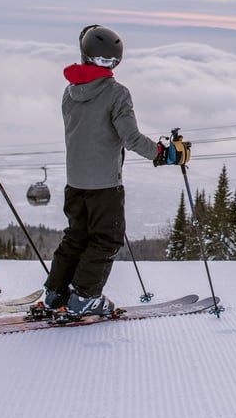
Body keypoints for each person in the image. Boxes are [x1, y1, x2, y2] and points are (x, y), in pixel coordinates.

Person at [42, 24, 186, 316]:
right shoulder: (116, 93)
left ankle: (55, 294)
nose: (108, 66)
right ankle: (84, 297)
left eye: (112, 61)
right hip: (104, 185)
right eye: (104, 60)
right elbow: (130, 138)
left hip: (75, 183)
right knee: (107, 239)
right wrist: (164, 154)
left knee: (76, 237)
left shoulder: (70, 92)